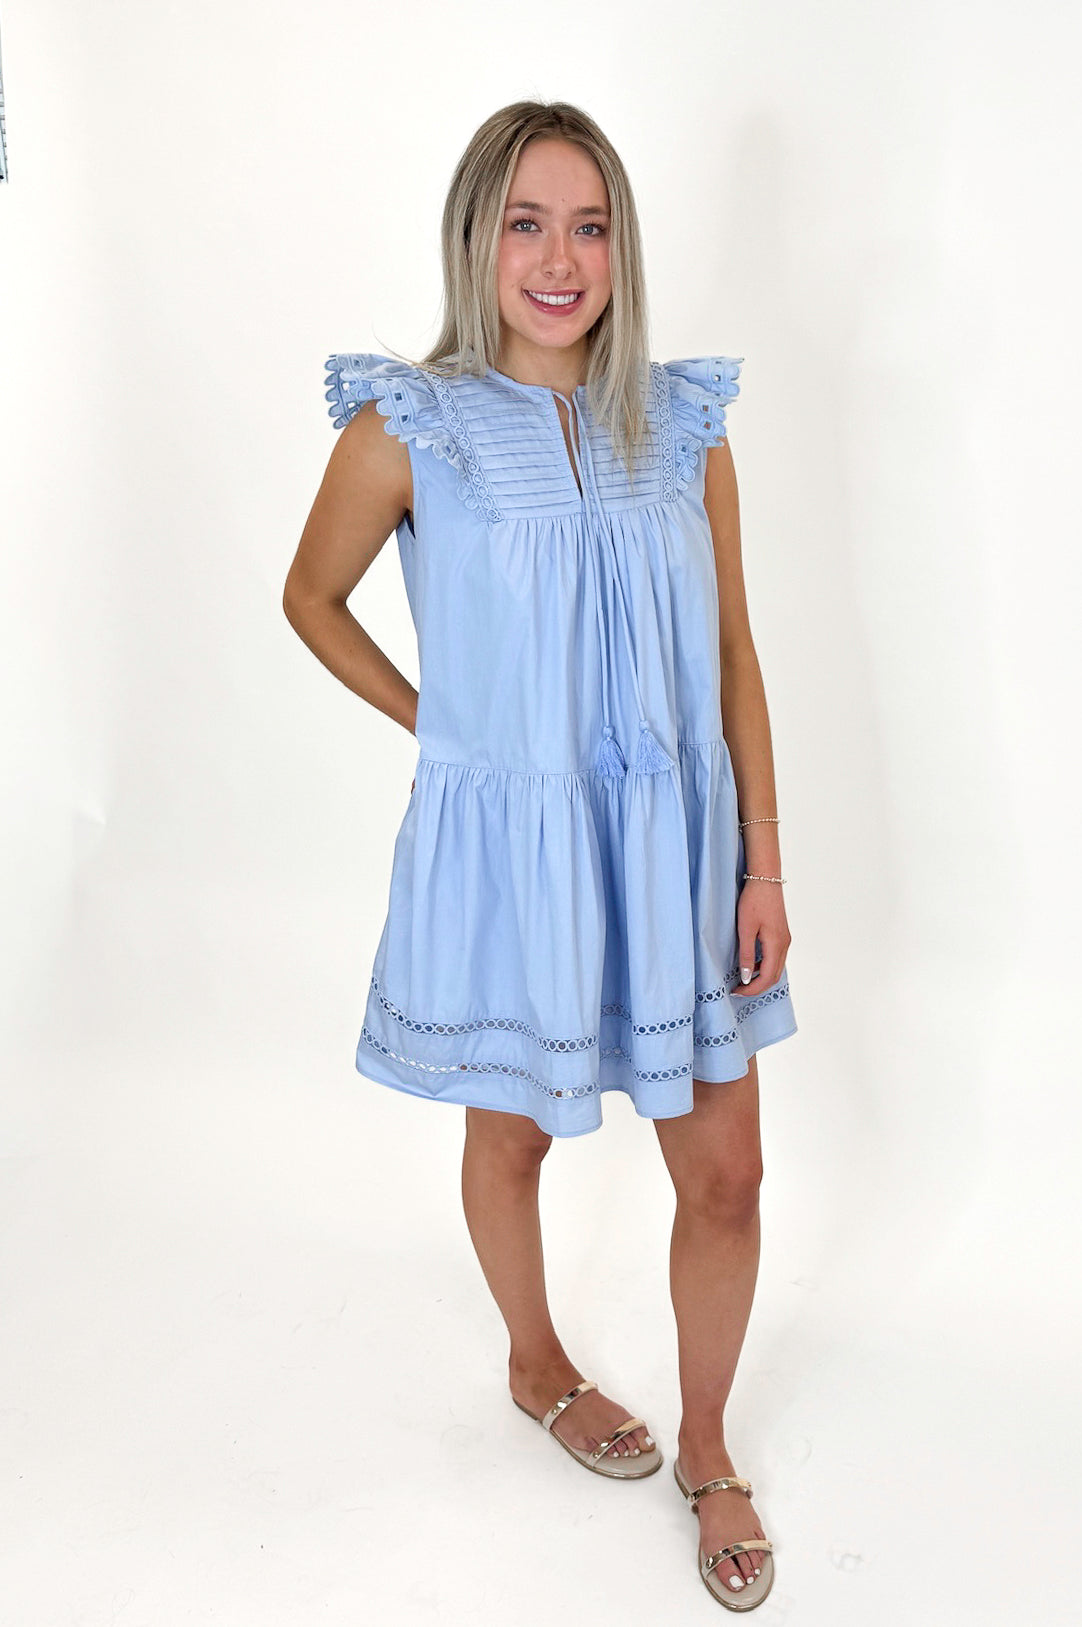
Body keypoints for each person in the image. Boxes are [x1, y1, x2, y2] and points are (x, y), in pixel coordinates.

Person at [283, 99, 798, 1612]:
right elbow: (312, 599)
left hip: (677, 849)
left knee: (727, 1174)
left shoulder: (684, 423)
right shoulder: (411, 425)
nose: (559, 258)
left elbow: (733, 654)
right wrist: (444, 729)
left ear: (619, 248)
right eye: (526, 222)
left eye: (587, 225)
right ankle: (535, 1361)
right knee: (510, 1135)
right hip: (515, 858)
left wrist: (760, 867)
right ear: (476, 242)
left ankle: (707, 1447)